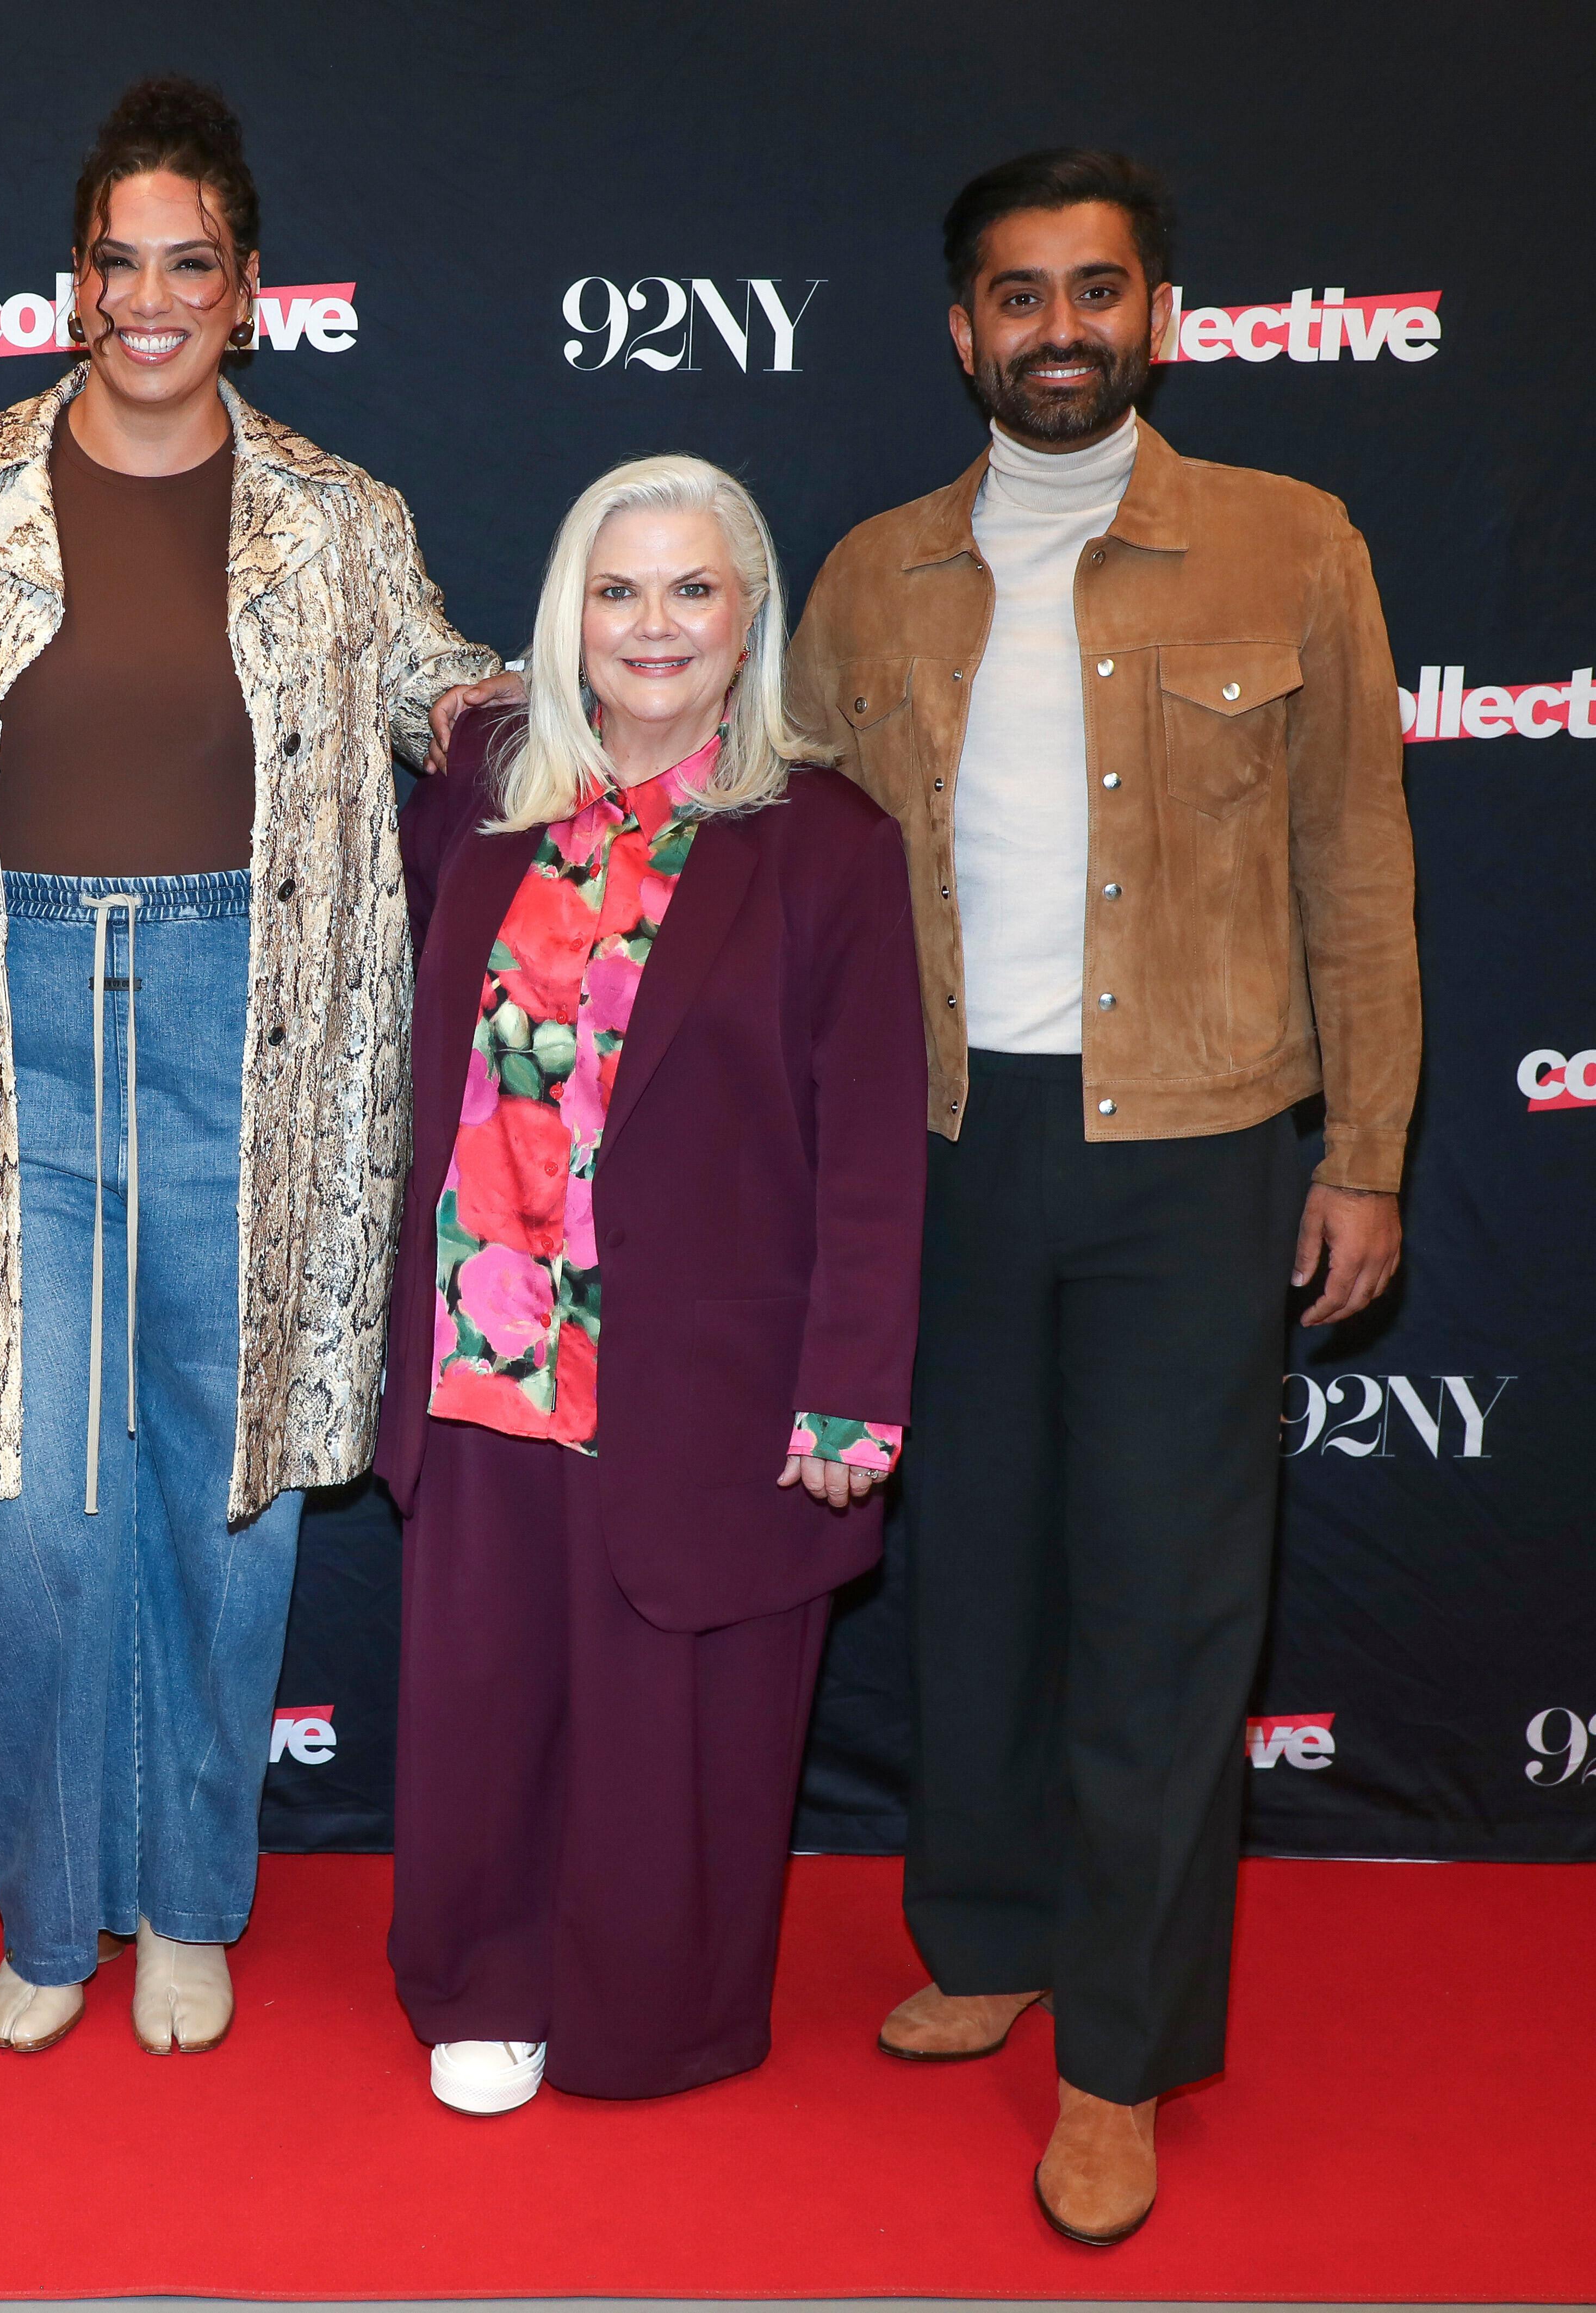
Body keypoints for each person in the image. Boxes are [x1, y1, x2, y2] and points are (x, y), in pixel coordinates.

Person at [786, 151, 1418, 2244]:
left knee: (1161, 1613)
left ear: (1157, 315)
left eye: (1098, 291)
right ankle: (984, 1933)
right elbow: (792, 894)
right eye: (1016, 295)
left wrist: (1370, 1154)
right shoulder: (872, 575)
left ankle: (1123, 2054)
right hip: (949, 1144)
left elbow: (1359, 872)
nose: (1059, 327)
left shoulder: (1290, 545)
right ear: (962, 330)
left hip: (1204, 1146)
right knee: (966, 1569)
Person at [0, 77, 501, 2060]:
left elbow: (446, 702)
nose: (150, 298)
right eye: (116, 262)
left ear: (248, 286)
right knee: (28, 1511)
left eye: (190, 264)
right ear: (74, 283)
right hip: (14, 1029)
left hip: (259, 1018)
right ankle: (55, 1908)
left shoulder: (338, 516)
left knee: (227, 1501)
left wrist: (634, 700)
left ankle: (197, 1902)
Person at [380, 457, 924, 2117]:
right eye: (619, 591)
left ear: (752, 615)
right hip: (487, 1342)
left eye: (694, 590)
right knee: (489, 1691)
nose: (655, 626)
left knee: (669, 1714)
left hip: (705, 1362)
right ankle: (485, 1974)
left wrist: (852, 1387)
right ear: (569, 615)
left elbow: (872, 1142)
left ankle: (648, 2011)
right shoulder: (484, 793)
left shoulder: (825, 842)